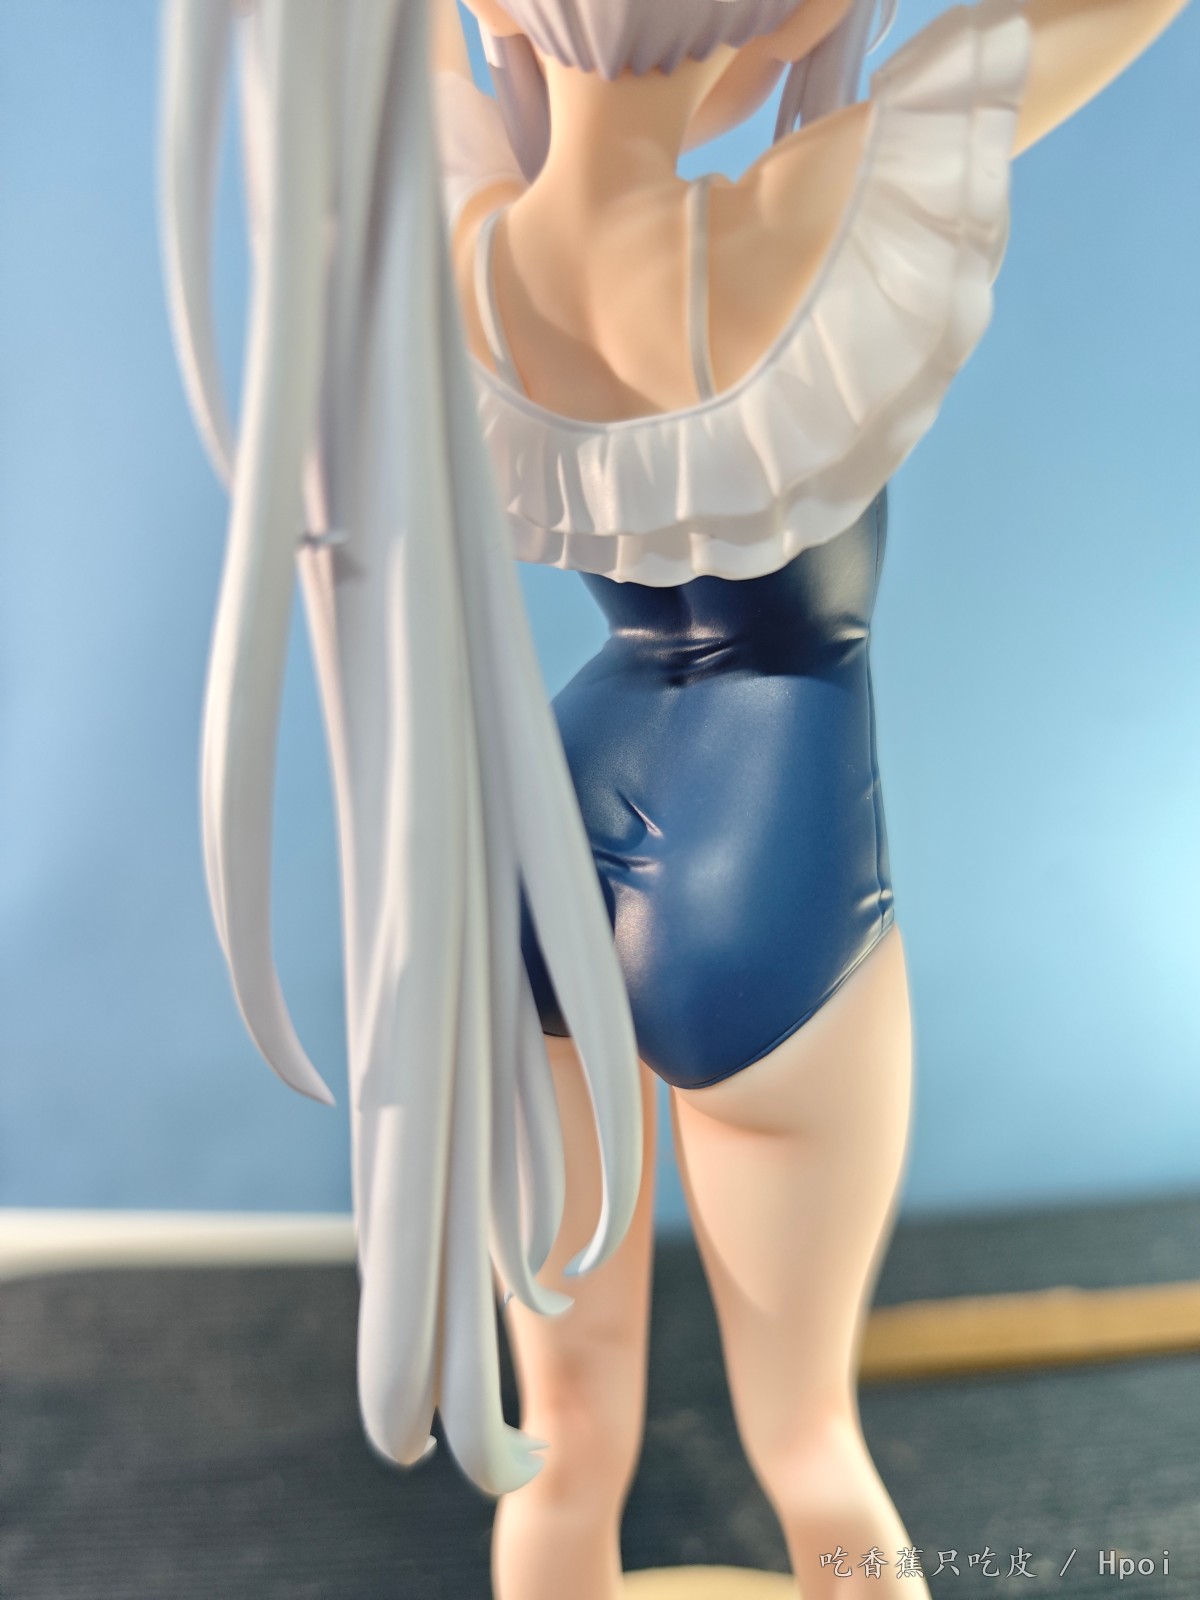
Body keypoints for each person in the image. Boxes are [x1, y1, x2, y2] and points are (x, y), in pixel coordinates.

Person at [159, 1, 1190, 1595]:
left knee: (563, 1443)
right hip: (770, 863)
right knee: (811, 1444)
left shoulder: (463, 242)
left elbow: (405, 51)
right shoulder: (816, 206)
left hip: (541, 831)